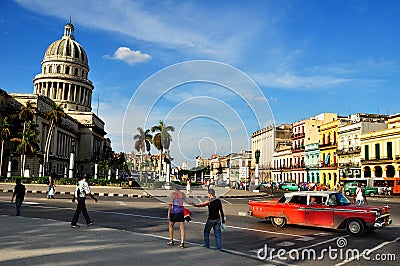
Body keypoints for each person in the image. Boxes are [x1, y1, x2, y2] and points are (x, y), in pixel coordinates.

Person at [167, 184, 193, 248]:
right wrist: (193, 203)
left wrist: (168, 213)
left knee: (171, 225)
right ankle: (182, 243)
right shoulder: (183, 194)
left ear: (174, 187)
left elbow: (170, 204)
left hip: (174, 212)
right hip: (181, 212)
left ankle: (171, 240)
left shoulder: (172, 194)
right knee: (182, 228)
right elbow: (187, 202)